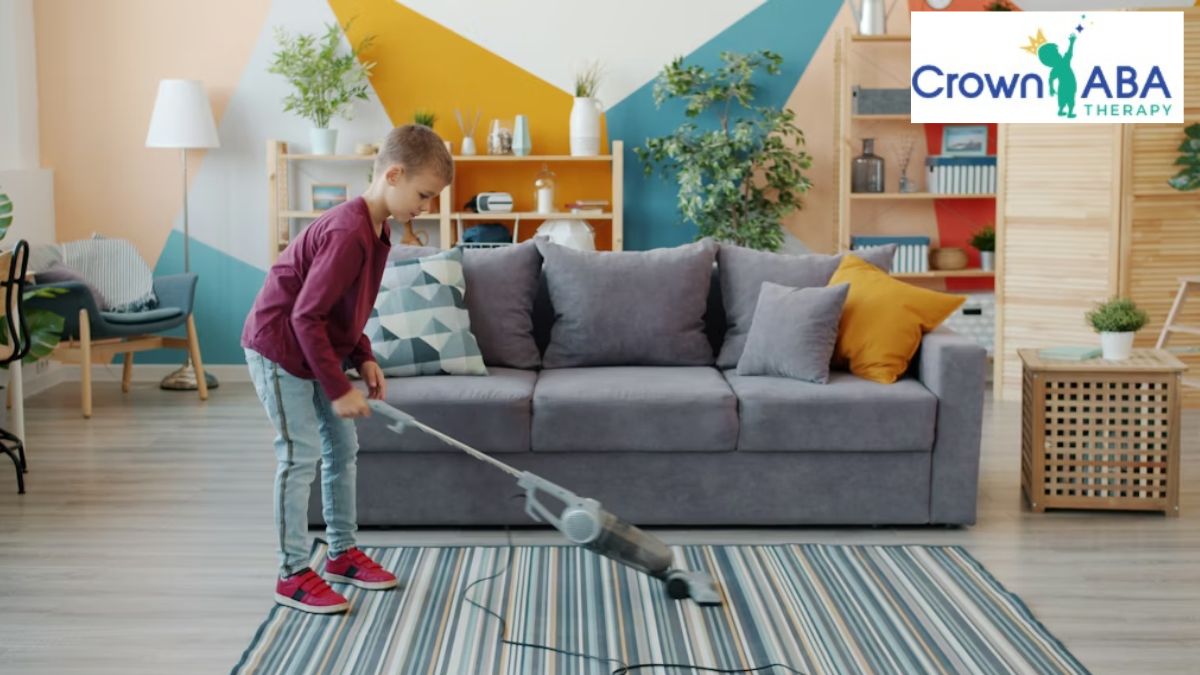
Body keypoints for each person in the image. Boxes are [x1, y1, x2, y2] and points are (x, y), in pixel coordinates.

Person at [242, 125, 453, 614]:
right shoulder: (347, 232)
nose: (426, 207)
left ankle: (341, 553)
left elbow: (345, 307)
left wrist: (363, 355)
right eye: (423, 194)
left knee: (342, 447)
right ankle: (292, 574)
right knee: (299, 455)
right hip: (280, 348)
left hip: (313, 346)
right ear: (393, 175)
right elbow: (305, 316)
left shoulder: (378, 230)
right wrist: (339, 389)